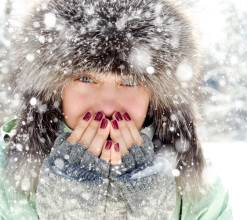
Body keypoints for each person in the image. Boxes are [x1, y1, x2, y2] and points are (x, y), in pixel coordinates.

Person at [0, 0, 232, 219]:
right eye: (85, 78)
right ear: (54, 90)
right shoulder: (4, 177)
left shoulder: (199, 188)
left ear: (157, 97)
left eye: (130, 81)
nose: (108, 105)